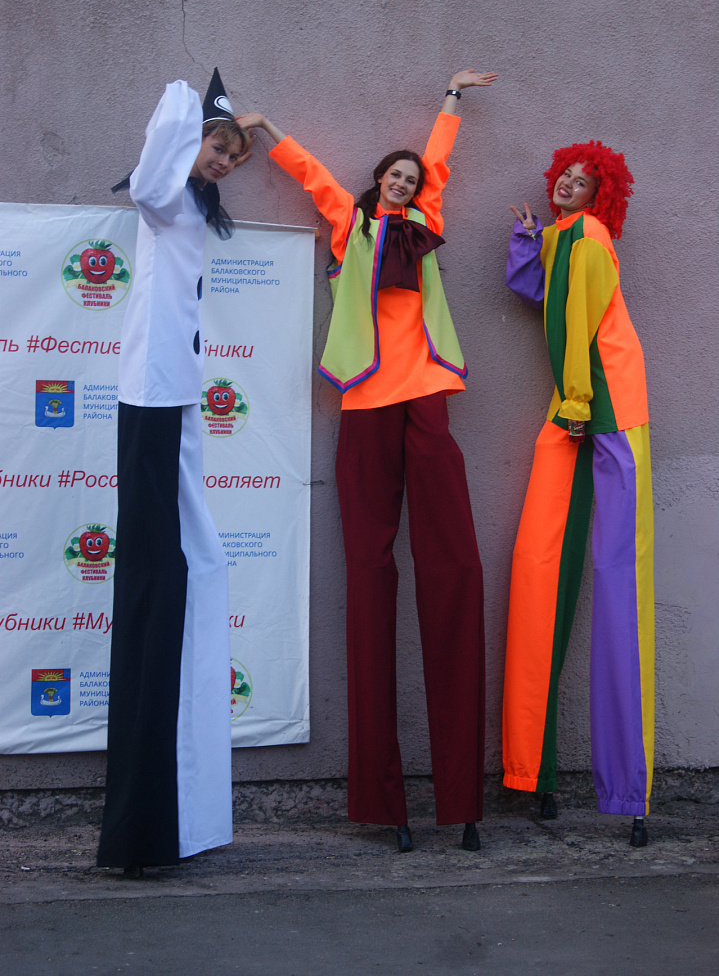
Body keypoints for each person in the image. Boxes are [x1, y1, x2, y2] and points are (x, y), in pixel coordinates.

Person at [237, 69, 497, 852]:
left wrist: (451, 99)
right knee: (369, 579)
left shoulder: (425, 223)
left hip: (426, 398)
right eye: (395, 175)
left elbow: (439, 162)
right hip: (362, 402)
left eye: (411, 179)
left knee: (452, 569)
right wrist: (266, 127)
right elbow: (313, 174)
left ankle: (462, 800)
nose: (405, 182)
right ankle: (384, 805)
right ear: (377, 182)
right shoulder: (349, 226)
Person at [97, 70, 252, 876]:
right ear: (190, 141)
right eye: (217, 147)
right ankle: (146, 823)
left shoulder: (192, 204)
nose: (224, 161)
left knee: (195, 568)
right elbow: (159, 151)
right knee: (159, 578)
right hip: (151, 395)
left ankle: (183, 814)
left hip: (179, 396)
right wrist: (192, 102)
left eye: (233, 156)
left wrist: (224, 125)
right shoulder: (161, 197)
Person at [502, 142, 654, 847]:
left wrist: (573, 402)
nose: (569, 182)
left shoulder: (588, 236)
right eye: (565, 174)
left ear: (600, 196)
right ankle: (531, 771)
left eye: (583, 180)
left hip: (606, 408)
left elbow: (580, 326)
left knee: (618, 582)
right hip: (575, 407)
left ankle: (628, 790)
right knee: (538, 568)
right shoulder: (562, 236)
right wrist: (527, 243)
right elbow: (543, 300)